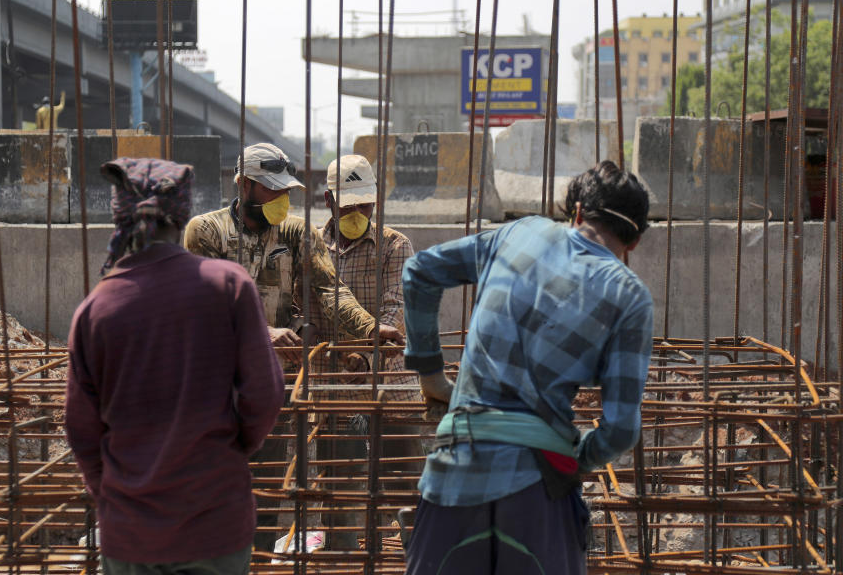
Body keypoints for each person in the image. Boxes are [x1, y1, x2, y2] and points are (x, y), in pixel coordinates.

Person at [402, 161, 653, 575]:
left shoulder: (519, 232)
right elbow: (622, 429)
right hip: (538, 492)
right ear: (636, 241)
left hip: (453, 474)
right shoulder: (628, 295)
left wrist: (432, 376)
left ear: (576, 213)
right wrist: (576, 456)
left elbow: (420, 272)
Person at [65, 157, 284, 575]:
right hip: (214, 522)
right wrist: (229, 452)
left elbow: (81, 429)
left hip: (130, 532)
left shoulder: (95, 310)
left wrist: (113, 492)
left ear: (121, 216)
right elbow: (266, 395)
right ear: (181, 216)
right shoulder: (228, 285)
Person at [183, 142, 403, 353]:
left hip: (281, 367)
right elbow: (207, 303)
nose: (282, 198)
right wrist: (264, 332)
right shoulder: (208, 230)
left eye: (285, 190)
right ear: (243, 184)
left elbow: (330, 290)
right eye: (272, 189)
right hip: (225, 361)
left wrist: (370, 327)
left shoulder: (298, 232)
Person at [311, 154, 423, 549]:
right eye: (349, 204)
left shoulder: (395, 245)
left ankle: (415, 555)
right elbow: (307, 306)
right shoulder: (314, 246)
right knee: (339, 482)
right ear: (329, 200)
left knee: (405, 479)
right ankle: (344, 553)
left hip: (392, 384)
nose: (358, 211)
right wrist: (344, 357)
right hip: (336, 387)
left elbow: (397, 308)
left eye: (365, 203)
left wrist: (366, 355)